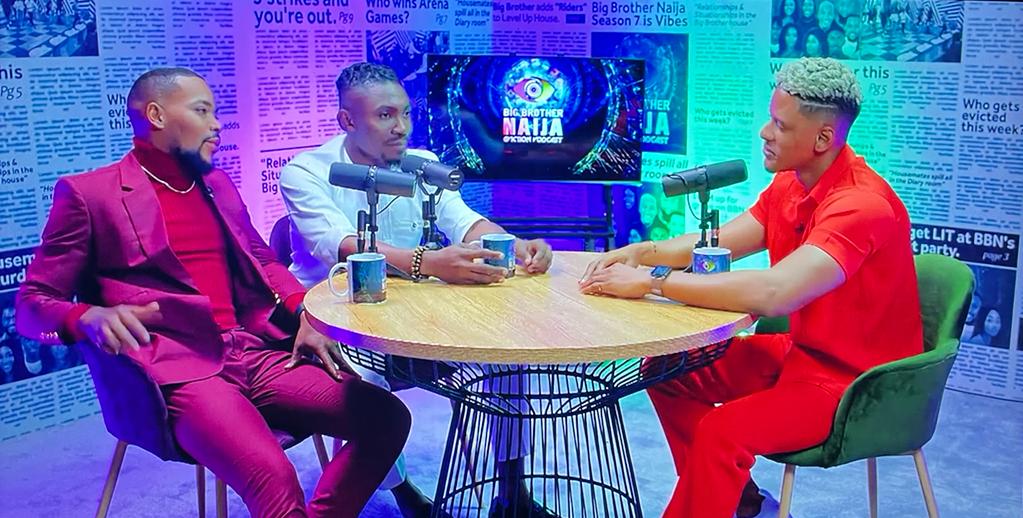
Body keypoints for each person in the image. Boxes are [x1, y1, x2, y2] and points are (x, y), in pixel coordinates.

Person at [16, 67, 411, 518]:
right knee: (274, 476)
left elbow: (263, 261)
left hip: (252, 352)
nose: (217, 124)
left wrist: (305, 313)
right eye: (202, 111)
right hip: (177, 370)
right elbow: (31, 305)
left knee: (387, 417)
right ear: (156, 115)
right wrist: (85, 316)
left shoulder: (217, 184)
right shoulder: (89, 194)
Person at [579, 57, 923, 518]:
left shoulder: (862, 206)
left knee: (722, 432)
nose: (764, 132)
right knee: (668, 370)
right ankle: (740, 504)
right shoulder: (791, 184)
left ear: (823, 138)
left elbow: (775, 293)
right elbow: (721, 241)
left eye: (780, 125)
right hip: (801, 352)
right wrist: (645, 251)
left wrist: (652, 281)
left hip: (856, 383)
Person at [280, 62, 555, 518]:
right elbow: (340, 244)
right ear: (348, 120)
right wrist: (428, 262)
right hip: (336, 321)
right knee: (365, 380)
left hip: (416, 314)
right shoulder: (305, 172)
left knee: (508, 353)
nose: (401, 127)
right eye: (385, 115)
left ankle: (512, 493)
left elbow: (464, 221)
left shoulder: (422, 163)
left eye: (405, 113)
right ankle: (406, 494)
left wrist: (512, 242)